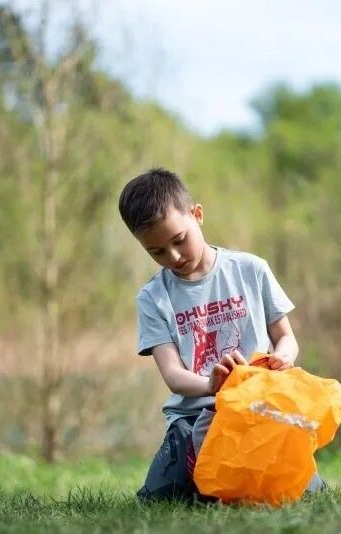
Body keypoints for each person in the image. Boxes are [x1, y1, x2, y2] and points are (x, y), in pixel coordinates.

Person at [118, 167, 324, 502]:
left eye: (179, 240)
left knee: (303, 492)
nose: (173, 256)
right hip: (194, 415)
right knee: (160, 498)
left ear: (197, 215)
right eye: (157, 252)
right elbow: (173, 375)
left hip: (256, 408)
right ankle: (197, 469)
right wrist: (213, 385)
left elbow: (286, 338)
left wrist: (283, 357)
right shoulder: (152, 298)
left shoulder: (251, 270)